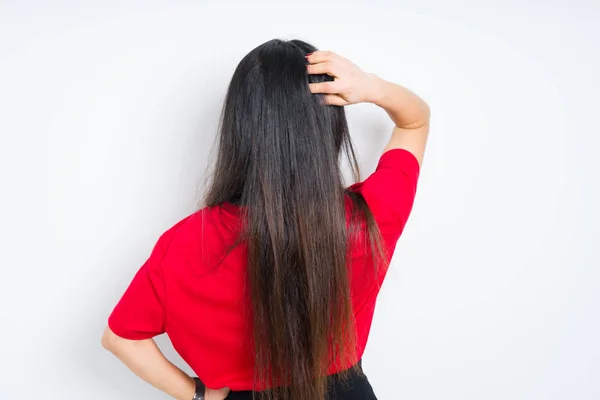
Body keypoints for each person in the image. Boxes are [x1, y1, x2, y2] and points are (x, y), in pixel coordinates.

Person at [101, 38, 430, 400]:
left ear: (239, 130)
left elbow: (120, 337)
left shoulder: (185, 243)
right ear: (327, 128)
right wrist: (371, 86)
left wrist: (197, 395)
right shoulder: (370, 217)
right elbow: (415, 121)